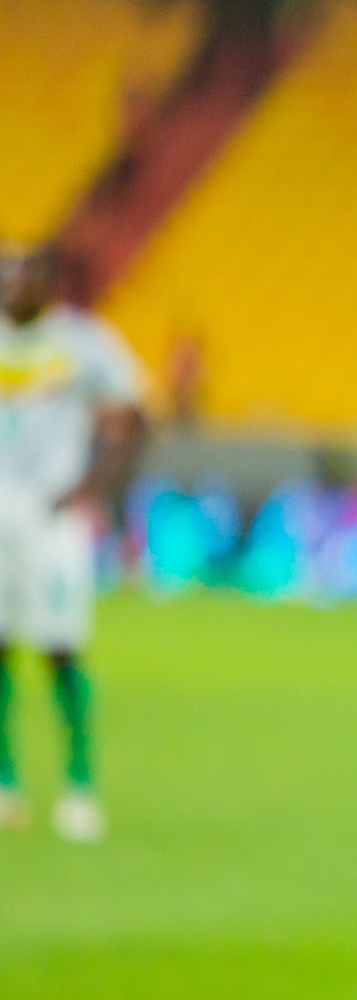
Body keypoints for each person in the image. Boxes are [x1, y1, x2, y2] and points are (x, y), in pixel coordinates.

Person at [0, 245, 148, 843]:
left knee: (61, 650)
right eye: (2, 276)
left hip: (51, 517)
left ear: (47, 284)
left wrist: (94, 489)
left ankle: (80, 784)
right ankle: (6, 782)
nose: (10, 286)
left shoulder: (82, 344)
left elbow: (132, 418)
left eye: (20, 276)